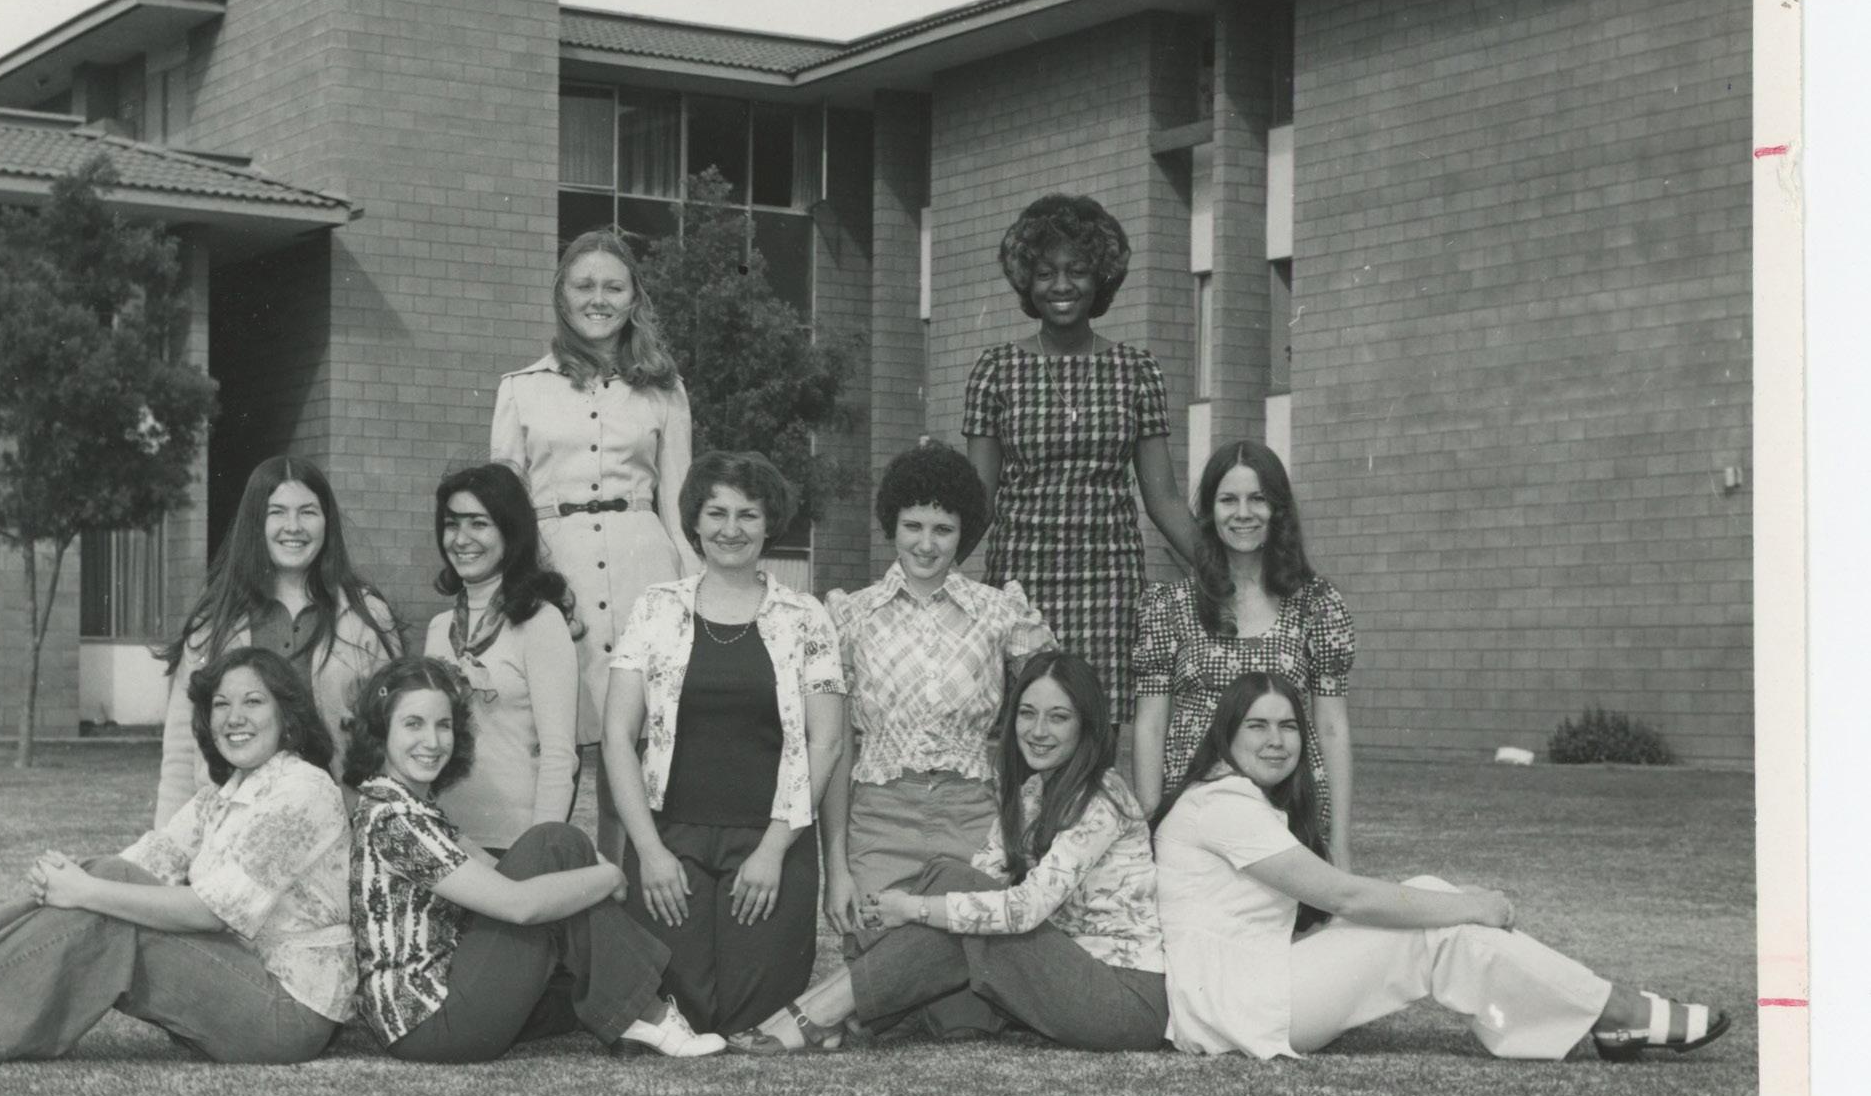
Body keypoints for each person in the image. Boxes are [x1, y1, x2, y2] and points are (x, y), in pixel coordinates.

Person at [1150, 672, 1732, 1062]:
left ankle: (1606, 1010)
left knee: (1431, 901)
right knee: (1438, 926)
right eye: (1257, 725)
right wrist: (1469, 905)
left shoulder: (1231, 799)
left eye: (1287, 726)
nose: (1277, 741)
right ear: (1226, 735)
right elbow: (1346, 898)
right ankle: (1616, 1010)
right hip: (1242, 1006)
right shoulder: (1222, 805)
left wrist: (1454, 903)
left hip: (1247, 992)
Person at [0, 647, 357, 1066]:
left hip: (287, 1013)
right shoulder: (225, 794)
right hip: (238, 977)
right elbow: (144, 864)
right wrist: (71, 881)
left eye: (253, 702)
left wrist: (86, 890)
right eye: (221, 704)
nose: (234, 717)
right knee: (104, 884)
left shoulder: (302, 790)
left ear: (287, 716)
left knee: (104, 898)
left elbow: (209, 913)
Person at [729, 650, 1168, 1055]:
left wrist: (914, 908)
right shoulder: (1033, 793)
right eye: (1027, 713)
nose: (1038, 731)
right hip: (1060, 976)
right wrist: (924, 909)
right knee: (951, 886)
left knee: (951, 899)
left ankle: (818, 1013)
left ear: (1087, 725)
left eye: (1058, 718)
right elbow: (979, 876)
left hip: (1122, 998)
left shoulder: (1102, 797)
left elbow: (1026, 909)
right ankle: (819, 1009)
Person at [346, 656, 724, 1062]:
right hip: (431, 1022)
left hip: (446, 998)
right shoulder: (394, 819)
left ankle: (636, 1012)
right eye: (413, 724)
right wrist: (608, 876)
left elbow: (500, 874)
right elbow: (518, 904)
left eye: (443, 725)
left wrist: (579, 874)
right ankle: (649, 1014)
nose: (433, 741)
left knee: (573, 927)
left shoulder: (408, 806)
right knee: (554, 843)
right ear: (381, 730)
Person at [603, 451, 846, 1037]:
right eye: (717, 513)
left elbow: (828, 742)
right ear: (695, 520)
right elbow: (616, 736)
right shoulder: (655, 607)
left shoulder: (806, 616)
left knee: (750, 1020)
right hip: (670, 838)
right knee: (681, 1016)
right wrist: (649, 851)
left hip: (772, 838)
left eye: (748, 514)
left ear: (769, 524)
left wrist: (773, 850)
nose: (730, 529)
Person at [820, 441, 1056, 1039]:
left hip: (972, 816)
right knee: (886, 984)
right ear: (892, 525)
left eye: (943, 529)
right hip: (881, 816)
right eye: (913, 526)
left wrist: (1029, 817)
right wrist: (837, 865)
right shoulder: (851, 616)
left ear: (963, 533)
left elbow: (1055, 713)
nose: (926, 543)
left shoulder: (1000, 614)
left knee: (965, 1018)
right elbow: (836, 747)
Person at [492, 229, 696, 862]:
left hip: (643, 575)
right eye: (584, 286)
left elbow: (680, 504)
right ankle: (541, 885)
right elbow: (505, 508)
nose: (598, 299)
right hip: (558, 579)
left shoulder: (664, 389)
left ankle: (627, 892)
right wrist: (516, 590)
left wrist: (694, 595)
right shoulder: (521, 388)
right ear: (562, 295)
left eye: (613, 286)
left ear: (634, 298)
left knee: (631, 751)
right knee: (552, 749)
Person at [963, 192, 1202, 727]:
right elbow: (978, 501)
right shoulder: (995, 370)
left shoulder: (1138, 370)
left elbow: (1163, 500)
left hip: (1110, 585)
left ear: (1101, 278)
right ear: (1027, 281)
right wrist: (925, 574)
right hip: (1021, 583)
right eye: (1046, 272)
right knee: (1027, 731)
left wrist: (1230, 575)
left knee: (1097, 733)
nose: (1062, 285)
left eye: (1077, 270)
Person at [1133, 440, 1356, 868]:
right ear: (1209, 511)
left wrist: (1341, 844)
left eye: (1258, 499)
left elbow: (1332, 728)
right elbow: (1150, 724)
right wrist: (1151, 825)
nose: (1243, 513)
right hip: (1198, 808)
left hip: (1288, 804)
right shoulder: (1169, 605)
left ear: (1278, 509)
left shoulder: (1317, 604)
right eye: (1228, 500)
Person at [153, 455, 400, 827]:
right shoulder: (214, 619)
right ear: (256, 522)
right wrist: (169, 839)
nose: (293, 526)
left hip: (335, 826)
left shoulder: (368, 615)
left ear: (327, 521)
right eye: (277, 512)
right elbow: (181, 747)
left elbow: (392, 734)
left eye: (308, 512)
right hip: (232, 828)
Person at [420, 463, 581, 858]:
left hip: (515, 840)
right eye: (451, 524)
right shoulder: (439, 628)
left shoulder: (541, 621)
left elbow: (559, 754)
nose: (461, 539)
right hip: (444, 839)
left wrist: (540, 849)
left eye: (479, 524)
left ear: (511, 531)